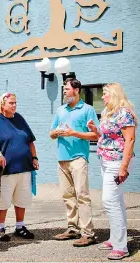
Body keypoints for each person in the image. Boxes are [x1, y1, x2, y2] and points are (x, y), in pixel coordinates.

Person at [87, 83, 137, 260]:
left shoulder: (124, 112)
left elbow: (130, 140)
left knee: (109, 201)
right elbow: (107, 135)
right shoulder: (110, 112)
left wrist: (124, 167)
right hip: (106, 160)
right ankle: (115, 237)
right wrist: (96, 130)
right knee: (117, 200)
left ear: (114, 94)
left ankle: (121, 247)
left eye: (105, 93)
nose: (102, 97)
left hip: (117, 162)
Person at [0, 92, 39, 242]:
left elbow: (30, 140)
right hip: (4, 170)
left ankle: (20, 227)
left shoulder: (19, 118)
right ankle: (0, 228)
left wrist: (34, 157)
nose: (14, 105)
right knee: (3, 200)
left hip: (24, 168)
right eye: (11, 103)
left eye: (15, 103)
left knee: (22, 199)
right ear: (2, 104)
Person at [50, 78, 99, 247]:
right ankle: (72, 229)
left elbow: (95, 135)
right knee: (68, 196)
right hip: (62, 159)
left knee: (82, 196)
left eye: (67, 89)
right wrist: (56, 132)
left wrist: (74, 133)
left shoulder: (88, 110)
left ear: (76, 90)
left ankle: (88, 233)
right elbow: (51, 133)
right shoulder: (60, 110)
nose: (64, 91)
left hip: (79, 158)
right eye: (64, 89)